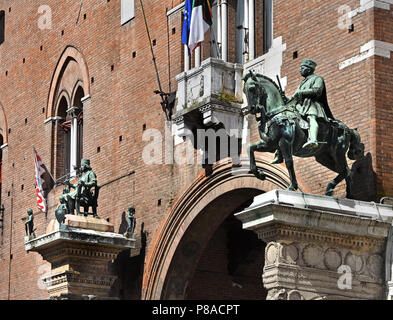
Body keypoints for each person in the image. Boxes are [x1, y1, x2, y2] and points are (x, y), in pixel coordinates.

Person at [271, 58, 334, 164]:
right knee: (287, 121)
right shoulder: (302, 83)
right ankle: (280, 151)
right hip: (300, 107)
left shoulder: (318, 79)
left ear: (309, 69)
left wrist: (301, 92)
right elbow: (293, 99)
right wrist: (284, 97)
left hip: (312, 105)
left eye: (303, 68)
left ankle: (313, 139)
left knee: (311, 118)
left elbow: (317, 91)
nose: (300, 70)